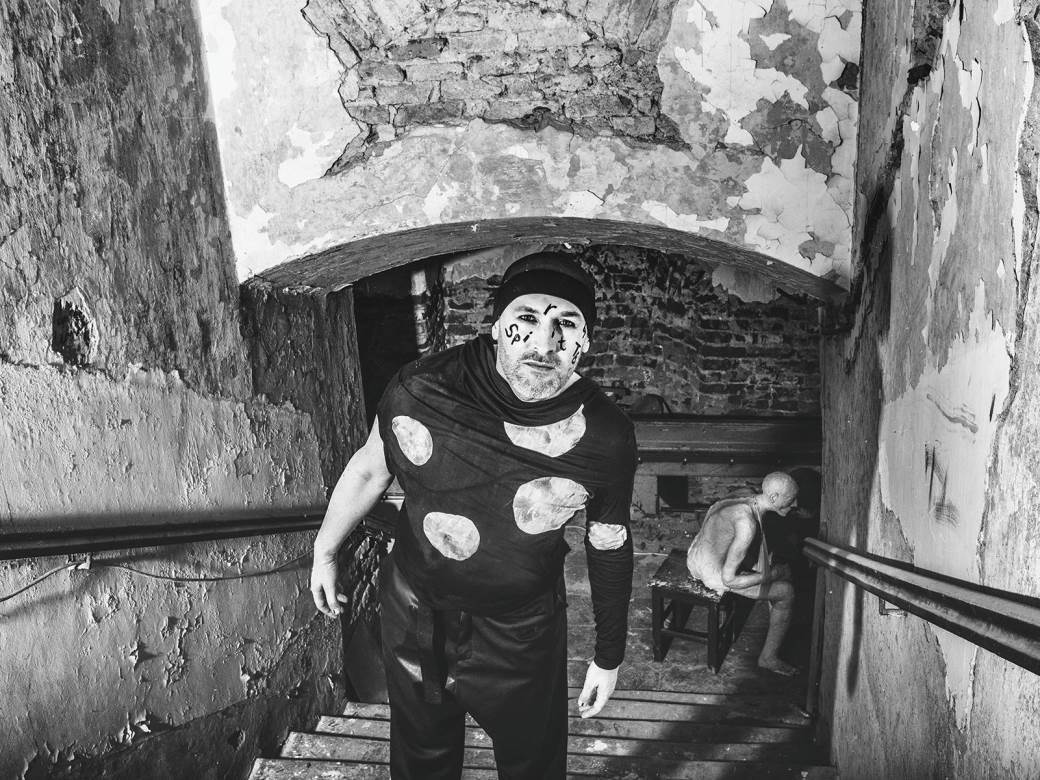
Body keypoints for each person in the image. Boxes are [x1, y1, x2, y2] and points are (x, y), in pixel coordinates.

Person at [309, 252, 637, 780]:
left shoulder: (605, 434)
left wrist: (609, 654)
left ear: (587, 340)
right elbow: (372, 468)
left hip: (521, 629)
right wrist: (325, 550)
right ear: (497, 323)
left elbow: (609, 541)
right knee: (421, 759)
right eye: (527, 318)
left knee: (532, 764)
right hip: (415, 609)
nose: (545, 342)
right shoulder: (423, 388)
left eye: (566, 324)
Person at [685, 471, 800, 676]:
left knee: (770, 564)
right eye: (791, 500)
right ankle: (768, 658)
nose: (795, 505)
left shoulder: (745, 495)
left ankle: (772, 600)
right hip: (712, 574)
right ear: (774, 497)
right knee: (786, 592)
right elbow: (729, 580)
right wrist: (773, 575)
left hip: (694, 556)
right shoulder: (747, 524)